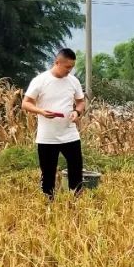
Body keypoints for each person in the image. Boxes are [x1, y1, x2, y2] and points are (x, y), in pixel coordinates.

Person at [22, 48, 86, 198]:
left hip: (69, 133)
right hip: (47, 136)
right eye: (67, 67)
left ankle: (76, 198)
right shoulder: (40, 81)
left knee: (76, 168)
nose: (69, 71)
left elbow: (81, 102)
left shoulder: (73, 81)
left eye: (72, 67)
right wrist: (41, 111)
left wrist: (77, 112)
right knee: (48, 172)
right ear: (57, 62)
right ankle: (48, 201)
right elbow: (25, 103)